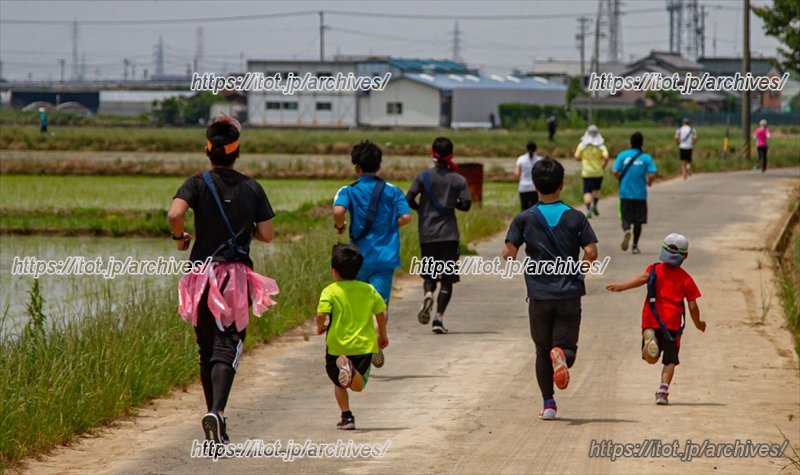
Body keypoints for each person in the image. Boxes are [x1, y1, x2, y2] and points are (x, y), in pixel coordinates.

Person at [169, 115, 279, 444]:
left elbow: (175, 214)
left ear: (207, 150)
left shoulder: (196, 183)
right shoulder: (252, 187)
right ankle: (216, 412)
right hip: (234, 277)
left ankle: (213, 419)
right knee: (227, 345)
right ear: (237, 152)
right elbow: (268, 235)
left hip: (200, 276)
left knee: (206, 350)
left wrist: (179, 238)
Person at [502, 158, 598, 420]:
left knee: (541, 350)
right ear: (562, 184)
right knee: (567, 349)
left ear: (534, 185)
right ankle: (562, 356)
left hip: (539, 295)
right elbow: (591, 251)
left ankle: (548, 404)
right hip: (569, 294)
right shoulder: (576, 217)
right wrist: (580, 270)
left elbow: (509, 252)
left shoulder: (524, 218)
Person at [333, 141, 411, 367]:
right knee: (380, 305)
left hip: (357, 259)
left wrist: (340, 226)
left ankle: (352, 348)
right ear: (379, 166)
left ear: (356, 167)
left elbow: (338, 211)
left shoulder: (348, 190)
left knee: (355, 304)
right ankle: (376, 339)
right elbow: (406, 217)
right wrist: (388, 226)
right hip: (385, 258)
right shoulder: (393, 190)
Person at [605, 233, 706, 405]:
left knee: (651, 358)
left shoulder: (653, 269)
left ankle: (651, 341)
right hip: (672, 325)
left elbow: (641, 278)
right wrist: (698, 323)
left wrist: (622, 287)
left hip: (651, 319)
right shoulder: (686, 278)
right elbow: (692, 306)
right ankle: (662, 392)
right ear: (685, 256)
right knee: (670, 360)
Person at [317, 244, 389, 430]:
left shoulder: (330, 291)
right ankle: (352, 371)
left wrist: (320, 327)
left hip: (336, 347)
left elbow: (321, 314)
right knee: (357, 386)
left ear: (334, 271)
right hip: (363, 347)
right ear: (358, 270)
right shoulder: (368, 290)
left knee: (338, 383)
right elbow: (381, 313)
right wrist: (382, 334)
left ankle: (347, 417)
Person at [406, 136, 472, 334]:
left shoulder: (423, 176)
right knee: (447, 279)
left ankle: (428, 293)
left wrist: (421, 210)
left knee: (430, 273)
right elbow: (467, 205)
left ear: (432, 153)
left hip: (427, 234)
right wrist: (453, 204)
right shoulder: (458, 179)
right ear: (451, 154)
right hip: (449, 235)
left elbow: (409, 198)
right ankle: (438, 318)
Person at [612, 132, 657, 255]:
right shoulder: (646, 157)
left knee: (624, 216)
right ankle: (635, 246)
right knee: (638, 221)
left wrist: (620, 179)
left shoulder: (622, 155)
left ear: (630, 142)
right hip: (640, 194)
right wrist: (649, 182)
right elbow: (653, 173)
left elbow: (615, 170)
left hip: (625, 192)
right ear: (642, 143)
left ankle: (626, 230)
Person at [574, 124, 609, 218]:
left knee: (587, 191)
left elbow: (576, 157)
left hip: (587, 172)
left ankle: (588, 208)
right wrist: (603, 165)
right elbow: (606, 157)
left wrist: (583, 159)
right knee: (597, 190)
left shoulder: (582, 145)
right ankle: (595, 205)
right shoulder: (601, 146)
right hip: (598, 171)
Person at [515, 140, 542, 210]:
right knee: (535, 210)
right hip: (535, 188)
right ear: (536, 148)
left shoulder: (520, 159)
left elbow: (517, 173)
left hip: (523, 187)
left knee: (524, 209)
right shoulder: (539, 159)